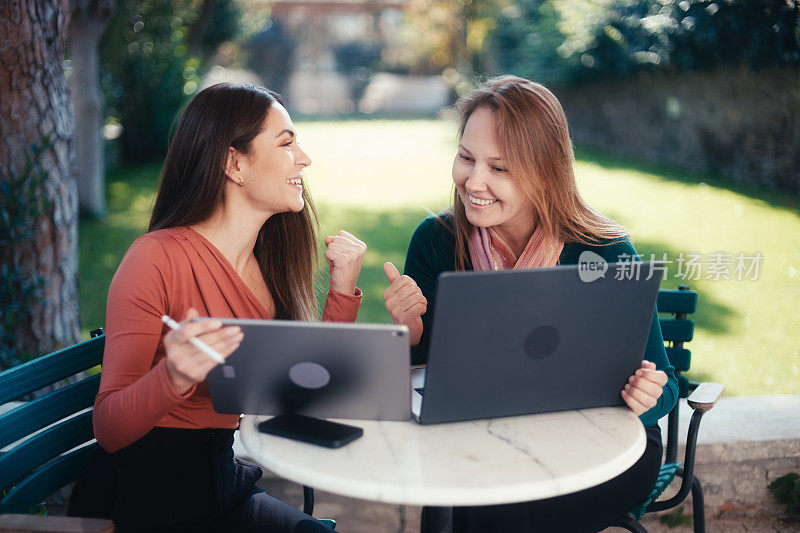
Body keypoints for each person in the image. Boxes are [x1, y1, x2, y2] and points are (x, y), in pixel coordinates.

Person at [382, 75, 678, 532]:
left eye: (499, 168)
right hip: (485, 439)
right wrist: (412, 331)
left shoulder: (605, 252)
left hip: (599, 447)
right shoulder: (436, 241)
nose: (473, 180)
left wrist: (646, 396)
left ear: (544, 172)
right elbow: (431, 379)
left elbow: (667, 387)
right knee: (478, 488)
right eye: (466, 158)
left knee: (492, 497)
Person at [68, 83, 367, 532]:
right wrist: (172, 377)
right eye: (286, 144)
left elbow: (302, 395)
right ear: (234, 163)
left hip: (221, 487)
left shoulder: (267, 267)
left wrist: (343, 291)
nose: (304, 159)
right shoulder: (156, 257)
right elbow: (109, 428)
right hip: (144, 498)